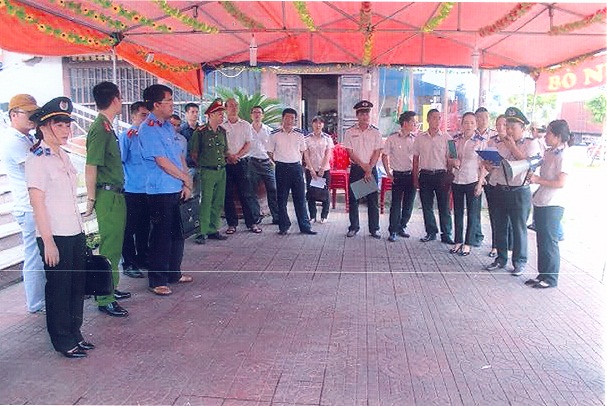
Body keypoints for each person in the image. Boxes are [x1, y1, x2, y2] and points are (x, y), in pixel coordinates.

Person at [25, 96, 93, 358]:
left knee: (76, 286)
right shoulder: (37, 159)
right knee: (59, 289)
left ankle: (75, 332)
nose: (66, 130)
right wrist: (48, 242)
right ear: (44, 127)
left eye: (68, 125)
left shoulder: (62, 155)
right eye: (60, 125)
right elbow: (38, 204)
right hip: (55, 235)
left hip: (74, 231)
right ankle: (63, 340)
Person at [138, 84, 194, 296]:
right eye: (168, 101)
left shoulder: (167, 127)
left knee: (177, 234)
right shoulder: (148, 129)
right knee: (161, 236)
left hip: (176, 187)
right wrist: (185, 178)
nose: (172, 104)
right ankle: (157, 280)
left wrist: (186, 181)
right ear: (156, 105)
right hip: (159, 190)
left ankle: (173, 273)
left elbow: (179, 156)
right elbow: (162, 162)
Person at [84, 81, 130, 317]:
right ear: (115, 99)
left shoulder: (107, 127)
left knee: (116, 244)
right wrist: (91, 199)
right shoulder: (100, 129)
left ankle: (111, 286)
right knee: (110, 246)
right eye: (120, 98)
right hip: (107, 195)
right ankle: (105, 298)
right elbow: (91, 165)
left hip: (116, 194)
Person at [0, 94, 46, 313]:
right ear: (13, 115)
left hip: (35, 205)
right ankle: (36, 303)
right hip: (28, 207)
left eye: (34, 113)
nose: (32, 118)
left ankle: (41, 299)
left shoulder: (26, 137)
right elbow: (36, 167)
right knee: (34, 256)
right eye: (28, 113)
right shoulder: (13, 140)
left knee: (40, 254)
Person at [484, 107, 542, 276]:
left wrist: (513, 147)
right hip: (500, 189)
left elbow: (529, 163)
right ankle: (501, 258)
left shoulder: (531, 143)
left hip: (519, 191)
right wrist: (488, 165)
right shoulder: (498, 142)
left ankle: (519, 261)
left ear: (522, 128)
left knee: (518, 227)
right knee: (500, 225)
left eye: (513, 127)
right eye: (507, 126)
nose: (509, 130)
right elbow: (492, 165)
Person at [526, 120, 571, 288]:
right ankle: (542, 274)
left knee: (550, 241)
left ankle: (551, 278)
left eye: (549, 133)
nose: (546, 136)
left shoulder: (564, 155)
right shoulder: (550, 152)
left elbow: (560, 182)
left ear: (558, 136)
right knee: (542, 240)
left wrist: (538, 180)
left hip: (553, 203)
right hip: (542, 200)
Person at [267, 108, 317, 236]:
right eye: (287, 117)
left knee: (300, 198)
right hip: (281, 168)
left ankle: (305, 226)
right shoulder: (274, 134)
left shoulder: (299, 134)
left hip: (296, 168)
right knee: (281, 199)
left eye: (292, 118)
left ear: (295, 120)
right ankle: (284, 226)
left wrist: (301, 163)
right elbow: (270, 152)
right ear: (282, 118)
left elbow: (303, 151)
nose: (289, 120)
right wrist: (278, 162)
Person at [189, 98, 229, 245]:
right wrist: (204, 165)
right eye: (219, 114)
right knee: (205, 201)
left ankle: (213, 229)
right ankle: (202, 232)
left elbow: (225, 151)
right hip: (207, 171)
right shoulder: (200, 132)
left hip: (221, 171)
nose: (222, 116)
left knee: (218, 201)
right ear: (210, 115)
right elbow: (194, 153)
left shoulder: (222, 132)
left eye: (222, 114)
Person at [412, 109, 454, 244]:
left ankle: (446, 234)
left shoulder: (448, 138)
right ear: (428, 120)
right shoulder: (420, 137)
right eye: (434, 118)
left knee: (444, 206)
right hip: (425, 175)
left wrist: (449, 174)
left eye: (439, 118)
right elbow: (415, 158)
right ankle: (431, 232)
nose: (437, 120)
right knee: (426, 206)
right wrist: (415, 177)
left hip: (442, 175)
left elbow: (453, 157)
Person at [343, 100, 383, 239]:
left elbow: (377, 151)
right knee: (354, 199)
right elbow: (350, 152)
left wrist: (369, 168)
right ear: (357, 115)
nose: (365, 116)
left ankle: (374, 229)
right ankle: (354, 227)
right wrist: (363, 166)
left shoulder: (375, 132)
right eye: (362, 114)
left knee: (372, 200)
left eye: (367, 114)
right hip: (357, 169)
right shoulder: (350, 132)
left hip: (370, 169)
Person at [222, 98, 261, 234]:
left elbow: (248, 144)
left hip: (242, 163)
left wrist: (237, 156)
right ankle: (232, 224)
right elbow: (220, 145)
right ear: (225, 108)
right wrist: (229, 156)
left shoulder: (245, 125)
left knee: (246, 194)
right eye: (231, 106)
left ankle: (252, 223)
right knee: (227, 194)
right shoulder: (221, 126)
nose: (234, 108)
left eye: (236, 105)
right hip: (226, 163)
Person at [118, 101, 149, 279]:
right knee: (129, 229)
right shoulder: (127, 136)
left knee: (145, 227)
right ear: (133, 116)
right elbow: (120, 161)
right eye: (143, 115)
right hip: (132, 190)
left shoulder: (150, 137)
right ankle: (129, 263)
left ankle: (143, 258)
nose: (146, 119)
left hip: (149, 189)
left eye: (148, 115)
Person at [449, 112, 486, 256]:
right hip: (457, 180)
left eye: (472, 122)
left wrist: (480, 183)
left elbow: (484, 164)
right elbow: (450, 157)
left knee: (472, 213)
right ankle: (458, 241)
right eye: (466, 122)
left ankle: (468, 243)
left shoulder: (480, 141)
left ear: (476, 125)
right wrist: (453, 161)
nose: (468, 125)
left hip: (473, 180)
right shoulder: (455, 140)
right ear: (461, 124)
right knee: (458, 212)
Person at [381, 111, 418, 242]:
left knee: (409, 204)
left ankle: (402, 227)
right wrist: (388, 173)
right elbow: (384, 155)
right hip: (397, 175)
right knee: (396, 204)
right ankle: (393, 231)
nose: (415, 124)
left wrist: (417, 176)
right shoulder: (392, 138)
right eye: (413, 122)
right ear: (405, 123)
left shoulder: (415, 139)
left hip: (411, 175)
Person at [484, 114, 513, 258]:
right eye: (498, 124)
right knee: (495, 216)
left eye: (504, 125)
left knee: (509, 218)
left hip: (509, 185)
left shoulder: (513, 142)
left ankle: (510, 246)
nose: (501, 127)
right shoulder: (492, 141)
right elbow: (488, 164)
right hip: (493, 183)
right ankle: (495, 246)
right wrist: (487, 164)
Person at [248, 105, 279, 225]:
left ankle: (276, 216)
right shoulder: (247, 129)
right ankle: (256, 216)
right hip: (252, 162)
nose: (257, 115)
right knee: (252, 192)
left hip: (267, 163)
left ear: (263, 115)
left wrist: (274, 161)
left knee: (273, 189)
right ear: (251, 115)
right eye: (254, 112)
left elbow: (274, 147)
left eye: (259, 113)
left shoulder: (269, 130)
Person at [472, 107, 496, 246]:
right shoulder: (470, 134)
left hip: (491, 176)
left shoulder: (494, 135)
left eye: (486, 117)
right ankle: (476, 236)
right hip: (475, 176)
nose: (483, 120)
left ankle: (497, 243)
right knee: (475, 209)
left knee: (495, 210)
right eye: (480, 117)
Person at [303, 116, 334, 224]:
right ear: (312, 124)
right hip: (310, 170)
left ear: (323, 125)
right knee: (311, 193)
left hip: (324, 170)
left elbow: (328, 154)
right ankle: (312, 216)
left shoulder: (327, 138)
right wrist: (311, 170)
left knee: (325, 192)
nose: (318, 125)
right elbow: (306, 155)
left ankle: (324, 215)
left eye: (320, 123)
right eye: (315, 123)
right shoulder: (307, 138)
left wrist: (322, 169)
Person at [179, 103, 200, 195]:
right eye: (192, 112)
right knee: (186, 192)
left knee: (198, 193)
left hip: (199, 166)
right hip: (187, 166)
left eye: (197, 112)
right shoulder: (181, 130)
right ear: (186, 114)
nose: (195, 114)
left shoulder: (202, 130)